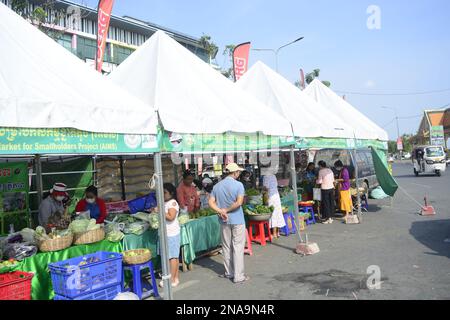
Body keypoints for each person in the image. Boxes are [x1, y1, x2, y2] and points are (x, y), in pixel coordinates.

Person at [208, 163, 249, 284]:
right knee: (238, 247)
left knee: (226, 246)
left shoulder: (217, 186)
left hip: (224, 220)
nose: (239, 174)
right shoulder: (239, 185)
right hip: (237, 220)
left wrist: (221, 210)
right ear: (235, 172)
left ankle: (229, 272)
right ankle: (238, 276)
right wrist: (226, 210)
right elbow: (239, 202)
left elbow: (211, 202)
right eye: (238, 172)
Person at [158, 183, 181, 288]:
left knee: (172, 257)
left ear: (171, 193)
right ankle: (175, 278)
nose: (163, 194)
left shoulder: (172, 203)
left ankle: (171, 279)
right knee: (172, 257)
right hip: (168, 233)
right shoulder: (166, 202)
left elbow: (171, 217)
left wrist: (159, 211)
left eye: (165, 192)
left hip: (171, 233)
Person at [262, 166, 286, 238]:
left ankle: (274, 233)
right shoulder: (273, 176)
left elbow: (266, 188)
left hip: (271, 197)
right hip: (276, 195)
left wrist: (262, 191)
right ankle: (277, 232)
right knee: (278, 213)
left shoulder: (266, 176)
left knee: (273, 214)